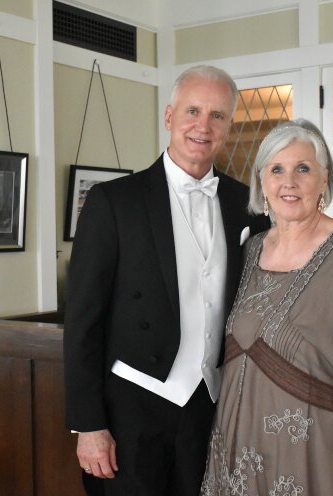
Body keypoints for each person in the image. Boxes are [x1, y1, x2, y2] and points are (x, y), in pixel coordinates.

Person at [63, 65, 271, 496]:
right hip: (130, 411)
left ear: (229, 127)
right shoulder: (114, 202)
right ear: (169, 117)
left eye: (217, 115)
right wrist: (89, 425)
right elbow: (83, 322)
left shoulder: (247, 206)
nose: (203, 125)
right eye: (193, 110)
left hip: (210, 407)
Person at [200, 119, 333, 496]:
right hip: (235, 455)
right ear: (261, 182)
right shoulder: (250, 251)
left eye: (303, 168)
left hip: (314, 456)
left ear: (324, 180)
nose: (289, 182)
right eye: (277, 169)